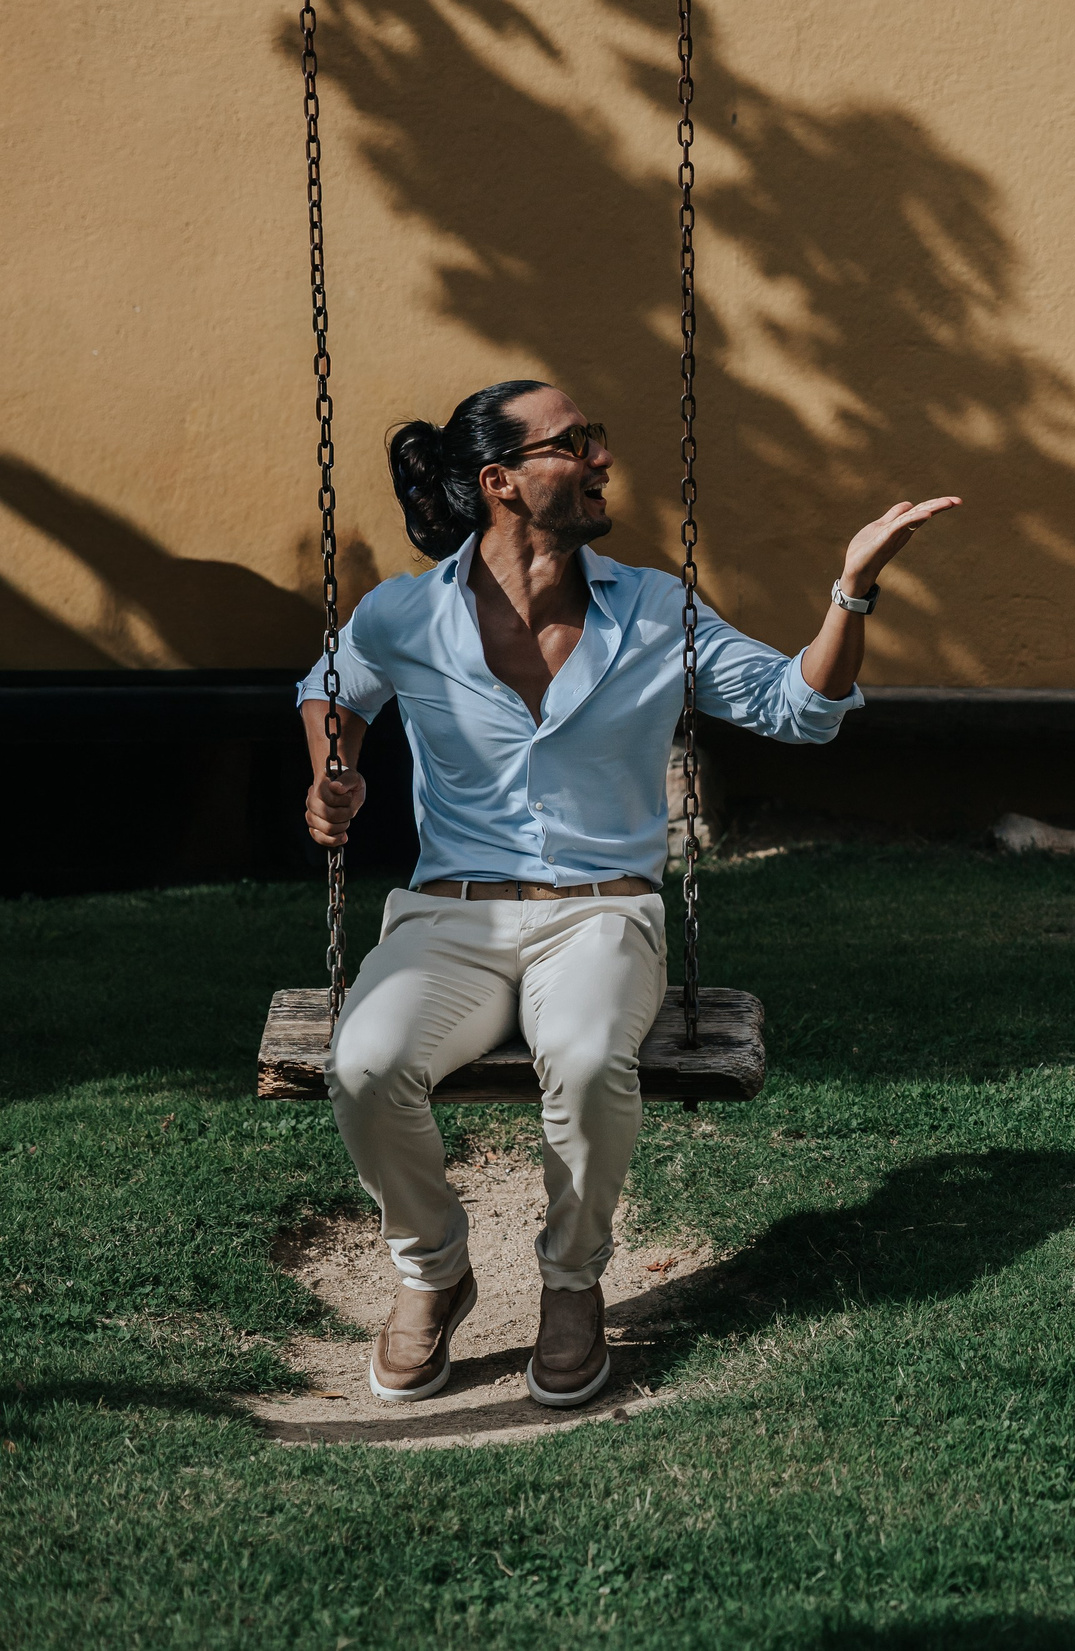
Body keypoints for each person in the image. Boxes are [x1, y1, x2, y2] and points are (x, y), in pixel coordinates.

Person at [297, 378, 956, 1407]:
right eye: (574, 444)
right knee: (367, 1063)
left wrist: (852, 589)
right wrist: (332, 773)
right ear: (499, 481)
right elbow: (327, 686)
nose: (601, 458)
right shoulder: (407, 613)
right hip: (449, 912)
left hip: (600, 912)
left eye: (595, 437)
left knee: (591, 1055)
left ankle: (570, 1283)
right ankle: (435, 1273)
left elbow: (800, 710)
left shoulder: (653, 609)